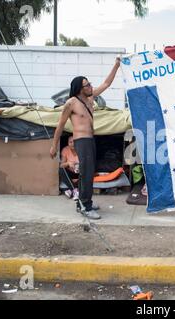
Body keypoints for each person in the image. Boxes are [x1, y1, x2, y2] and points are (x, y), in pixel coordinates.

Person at [50, 57, 121, 219]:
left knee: (89, 172)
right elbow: (60, 125)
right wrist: (54, 145)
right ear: (79, 88)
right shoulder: (71, 103)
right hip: (81, 141)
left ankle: (83, 202)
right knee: (86, 173)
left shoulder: (90, 99)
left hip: (91, 140)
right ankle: (85, 206)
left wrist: (116, 65)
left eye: (89, 84)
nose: (91, 86)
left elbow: (106, 83)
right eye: (87, 85)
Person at [60, 135, 79, 200]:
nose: (72, 144)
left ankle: (71, 191)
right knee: (61, 170)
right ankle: (75, 190)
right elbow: (61, 165)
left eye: (74, 142)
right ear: (68, 143)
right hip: (71, 173)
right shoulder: (65, 150)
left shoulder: (82, 149)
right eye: (70, 142)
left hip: (81, 173)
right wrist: (68, 163)